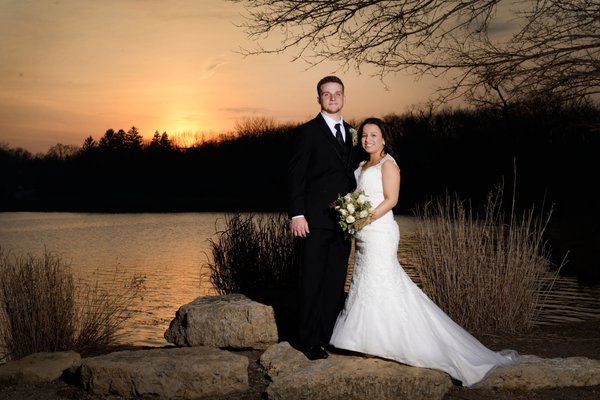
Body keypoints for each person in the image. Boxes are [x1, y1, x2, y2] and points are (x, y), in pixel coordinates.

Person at [329, 117, 518, 386]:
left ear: (384, 139)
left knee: (381, 281)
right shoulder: (360, 166)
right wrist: (350, 215)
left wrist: (364, 219)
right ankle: (365, 339)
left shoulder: (388, 164)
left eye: (374, 135)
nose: (368, 139)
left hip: (380, 231)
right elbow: (359, 196)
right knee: (364, 280)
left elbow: (392, 199)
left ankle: (396, 341)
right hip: (362, 235)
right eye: (364, 135)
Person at [288, 75, 362, 360]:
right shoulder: (307, 132)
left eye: (337, 93)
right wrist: (297, 214)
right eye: (326, 94)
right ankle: (306, 340)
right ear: (318, 98)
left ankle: (328, 335)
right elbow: (296, 176)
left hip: (344, 223)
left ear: (344, 97)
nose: (332, 98)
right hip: (313, 221)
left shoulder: (354, 133)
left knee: (334, 281)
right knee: (312, 280)